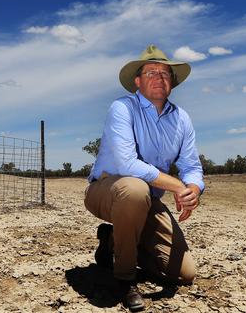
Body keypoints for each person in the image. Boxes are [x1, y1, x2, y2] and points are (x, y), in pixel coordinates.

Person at [84, 44, 204, 312]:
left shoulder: (181, 118)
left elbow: (191, 165)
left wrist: (193, 188)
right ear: (137, 81)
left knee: (184, 274)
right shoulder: (122, 108)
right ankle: (125, 279)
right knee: (135, 189)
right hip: (107, 190)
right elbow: (127, 164)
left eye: (165, 73)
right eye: (151, 73)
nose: (159, 78)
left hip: (147, 200)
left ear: (172, 81)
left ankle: (114, 240)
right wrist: (176, 185)